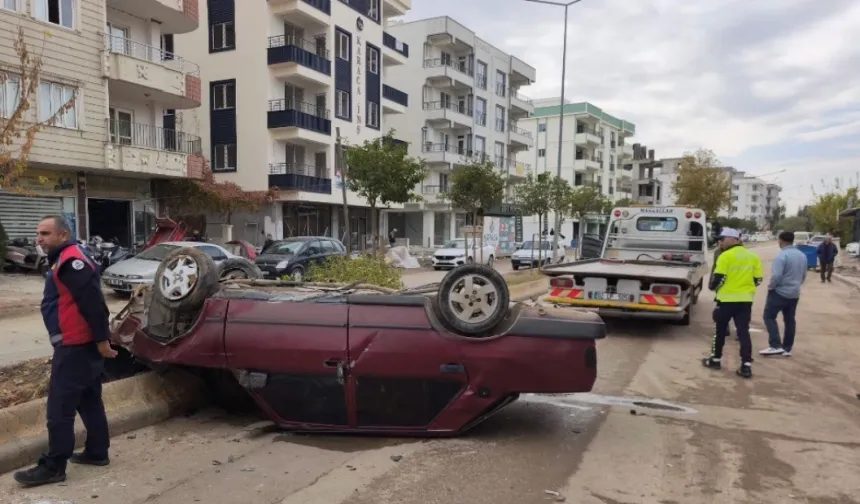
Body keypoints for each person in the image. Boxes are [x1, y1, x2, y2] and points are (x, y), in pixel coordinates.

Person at [14, 216, 117, 487]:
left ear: (63, 235)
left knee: (59, 408)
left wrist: (102, 339)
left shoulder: (72, 261)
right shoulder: (66, 257)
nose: (39, 238)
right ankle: (97, 451)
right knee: (89, 399)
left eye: (46, 233)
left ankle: (54, 466)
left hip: (75, 347)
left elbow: (93, 302)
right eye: (38, 233)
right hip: (81, 345)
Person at [702, 228, 763, 379]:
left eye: (722, 239)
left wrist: (713, 287)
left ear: (733, 239)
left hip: (726, 301)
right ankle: (746, 366)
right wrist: (744, 287)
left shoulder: (725, 256)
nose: (720, 242)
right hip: (745, 301)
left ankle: (715, 360)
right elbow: (758, 280)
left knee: (720, 331)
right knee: (743, 332)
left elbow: (719, 279)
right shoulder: (753, 257)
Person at [760, 231, 807, 357]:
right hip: (794, 293)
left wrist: (771, 287)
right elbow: (803, 275)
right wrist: (796, 285)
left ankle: (775, 345)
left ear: (781, 241)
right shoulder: (802, 255)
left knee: (769, 316)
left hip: (779, 292)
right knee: (790, 320)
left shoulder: (782, 256)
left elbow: (777, 275)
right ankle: (787, 348)